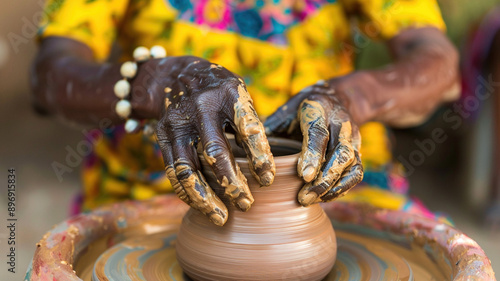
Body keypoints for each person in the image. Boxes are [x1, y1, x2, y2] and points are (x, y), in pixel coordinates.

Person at [32, 0, 459, 226]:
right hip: (157, 180)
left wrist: (352, 96)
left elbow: (437, 63)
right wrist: (160, 81)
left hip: (326, 182)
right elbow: (51, 73)